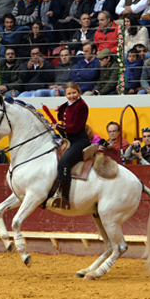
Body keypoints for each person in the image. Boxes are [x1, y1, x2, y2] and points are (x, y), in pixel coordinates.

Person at [50, 81, 90, 210]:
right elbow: (65, 113)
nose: (72, 96)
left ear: (78, 92)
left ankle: (65, 198)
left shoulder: (82, 106)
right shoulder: (69, 104)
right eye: (69, 93)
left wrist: (58, 126)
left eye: (74, 93)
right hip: (68, 140)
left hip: (79, 141)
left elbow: (75, 128)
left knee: (64, 162)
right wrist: (60, 109)